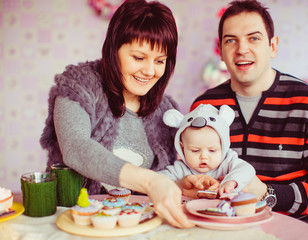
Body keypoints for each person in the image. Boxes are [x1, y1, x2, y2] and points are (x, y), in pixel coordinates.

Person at [189, 0, 308, 227]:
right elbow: (191, 173)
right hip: (220, 229)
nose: (241, 49)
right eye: (230, 40)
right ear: (221, 51)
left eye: (253, 38)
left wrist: (267, 193)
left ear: (273, 46)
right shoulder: (204, 106)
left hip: (289, 231)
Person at [39, 0, 196, 228]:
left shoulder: (166, 110)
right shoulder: (79, 85)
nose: (150, 71)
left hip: (134, 229)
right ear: (114, 50)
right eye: (139, 58)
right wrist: (151, 183)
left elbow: (157, 184)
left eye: (160, 61)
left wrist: (177, 184)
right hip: (74, 227)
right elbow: (75, 148)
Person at [159, 104, 256, 196]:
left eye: (212, 150)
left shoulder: (227, 162)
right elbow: (155, 180)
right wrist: (177, 184)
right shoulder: (180, 169)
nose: (203, 157)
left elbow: (247, 169)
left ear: (223, 147)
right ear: (182, 148)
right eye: (195, 151)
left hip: (224, 211)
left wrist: (231, 182)